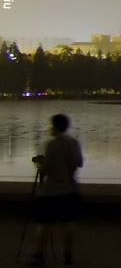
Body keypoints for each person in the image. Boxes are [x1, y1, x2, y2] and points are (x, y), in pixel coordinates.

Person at [26, 113, 83, 266]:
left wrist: (39, 165)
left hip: (52, 191)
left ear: (55, 126)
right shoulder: (74, 142)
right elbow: (79, 163)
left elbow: (46, 169)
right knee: (69, 222)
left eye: (51, 125)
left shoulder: (52, 144)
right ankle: (68, 254)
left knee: (45, 224)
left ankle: (39, 255)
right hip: (71, 189)